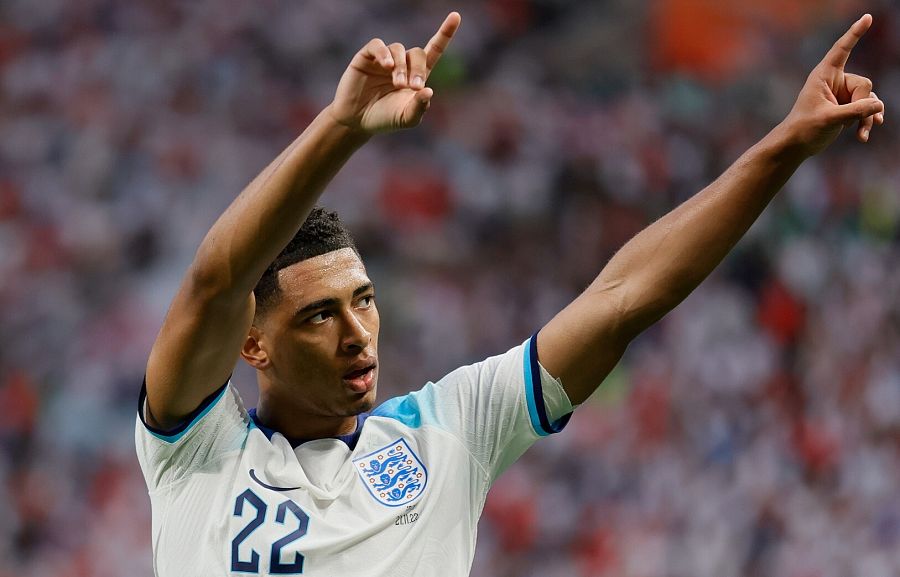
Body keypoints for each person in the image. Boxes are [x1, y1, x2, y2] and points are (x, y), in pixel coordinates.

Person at [135, 11, 885, 577]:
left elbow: (624, 297)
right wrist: (342, 128)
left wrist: (784, 143)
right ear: (253, 342)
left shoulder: (446, 432)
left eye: (364, 300)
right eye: (318, 315)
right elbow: (217, 280)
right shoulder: (196, 452)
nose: (357, 333)